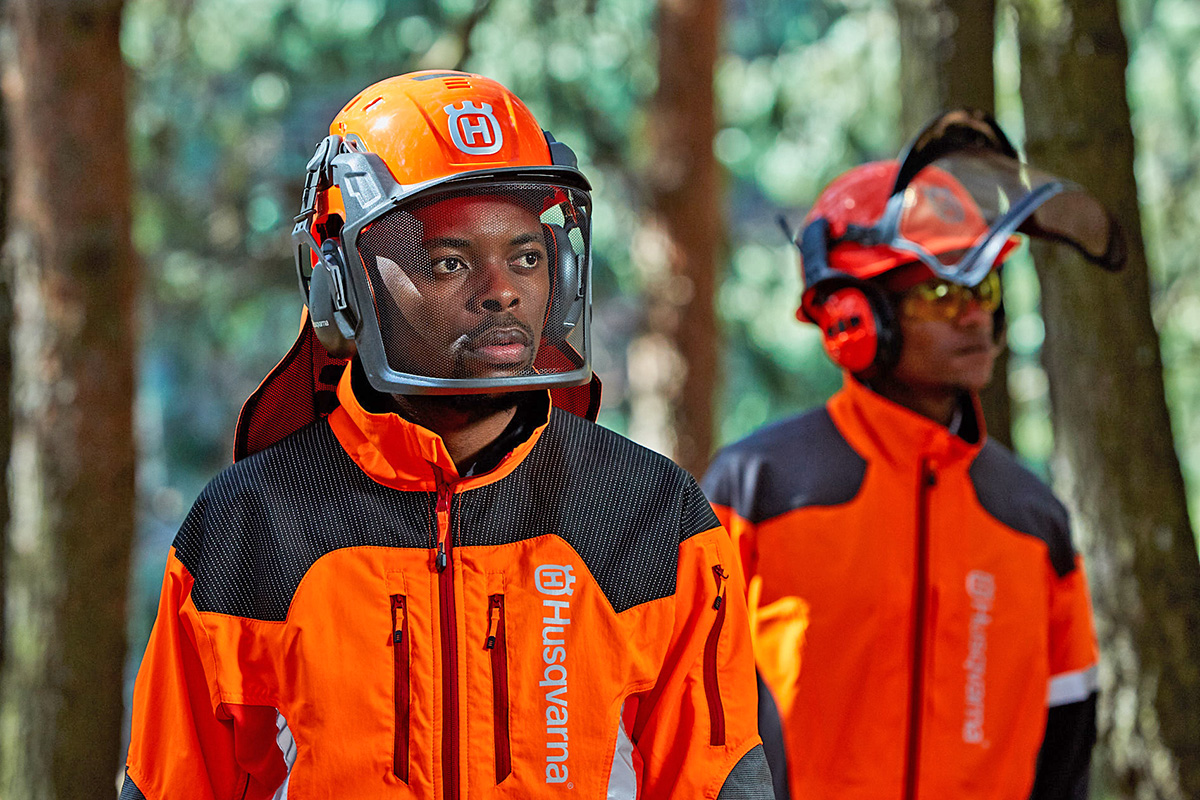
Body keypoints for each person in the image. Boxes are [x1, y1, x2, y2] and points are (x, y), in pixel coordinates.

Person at [121, 71, 772, 800]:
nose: (503, 288)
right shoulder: (247, 527)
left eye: (527, 256)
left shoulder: (650, 514)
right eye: (450, 261)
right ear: (341, 278)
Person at [702, 110, 1123, 800]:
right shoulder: (758, 489)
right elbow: (682, 714)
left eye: (982, 288)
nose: (974, 314)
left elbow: (1067, 744)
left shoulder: (1030, 517)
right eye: (938, 292)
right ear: (853, 317)